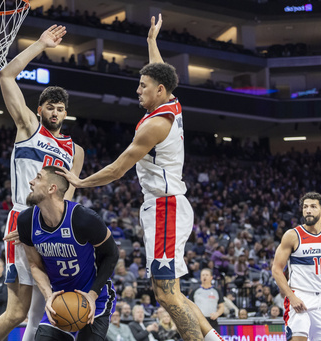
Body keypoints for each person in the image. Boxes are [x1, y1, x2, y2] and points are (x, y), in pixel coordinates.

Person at [57, 15, 223, 341]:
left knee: (164, 294)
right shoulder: (171, 103)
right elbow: (161, 73)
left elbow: (118, 169)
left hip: (164, 207)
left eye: (142, 86)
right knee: (171, 290)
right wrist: (151, 42)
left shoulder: (154, 126)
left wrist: (79, 182)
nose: (137, 90)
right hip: (168, 204)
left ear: (159, 91)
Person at [0, 24, 84, 341]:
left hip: (55, 227)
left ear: (65, 113)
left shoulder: (75, 150)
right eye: (50, 107)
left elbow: (71, 194)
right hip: (22, 219)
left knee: (49, 306)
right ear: (40, 109)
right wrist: (40, 45)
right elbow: (5, 77)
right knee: (16, 311)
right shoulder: (28, 126)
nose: (55, 112)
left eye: (60, 108)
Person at [17, 166, 118, 340]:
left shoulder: (83, 219)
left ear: (51, 188)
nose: (31, 182)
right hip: (60, 301)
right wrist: (49, 296)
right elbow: (34, 265)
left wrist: (92, 296)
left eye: (38, 178)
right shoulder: (26, 221)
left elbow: (112, 254)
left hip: (95, 297)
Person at [272, 192, 321, 341]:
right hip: (300, 296)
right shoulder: (292, 235)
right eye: (305, 207)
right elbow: (276, 269)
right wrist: (291, 297)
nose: (308, 210)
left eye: (313, 207)